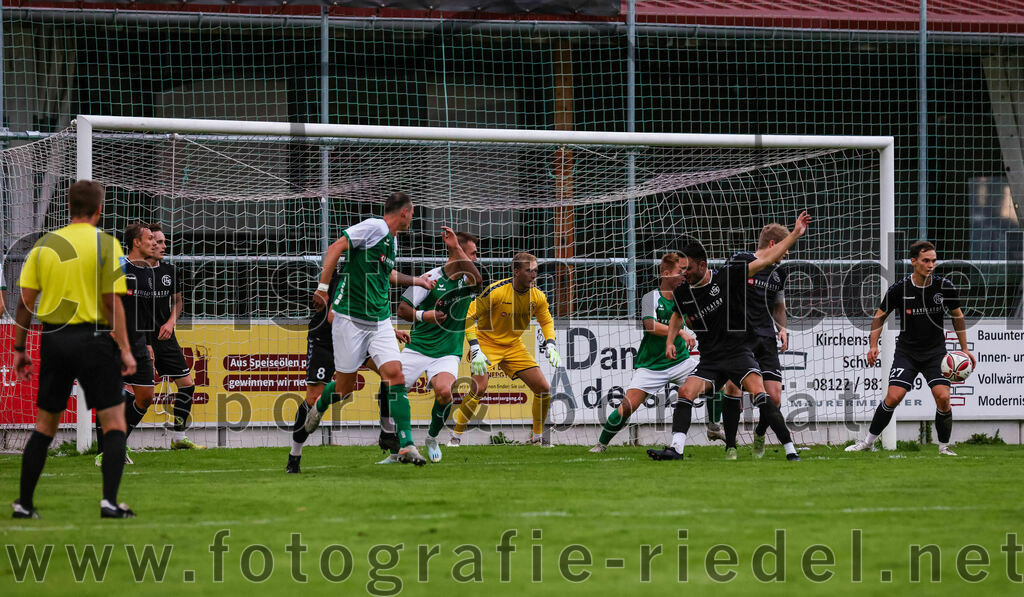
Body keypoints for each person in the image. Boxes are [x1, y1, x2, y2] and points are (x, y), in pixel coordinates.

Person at [11, 180, 138, 519]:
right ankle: (109, 502)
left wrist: (19, 348)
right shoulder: (106, 244)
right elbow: (113, 303)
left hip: (55, 338)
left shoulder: (45, 245)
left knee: (44, 426)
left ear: (68, 207)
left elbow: (25, 302)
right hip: (93, 339)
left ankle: (24, 504)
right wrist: (125, 348)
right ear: (99, 210)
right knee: (113, 423)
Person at [647, 211, 811, 462]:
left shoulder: (726, 278)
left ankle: (790, 450)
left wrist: (795, 235)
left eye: (687, 269)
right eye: (681, 270)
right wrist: (670, 340)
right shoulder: (683, 292)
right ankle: (677, 450)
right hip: (711, 360)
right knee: (685, 392)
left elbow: (766, 257)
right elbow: (677, 316)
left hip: (738, 353)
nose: (683, 274)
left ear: (702, 265)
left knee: (764, 395)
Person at [302, 192, 435, 465]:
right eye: (412, 213)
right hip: (351, 319)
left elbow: (386, 275)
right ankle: (320, 405)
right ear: (404, 212)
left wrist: (417, 282)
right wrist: (323, 289)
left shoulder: (393, 241)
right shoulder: (375, 227)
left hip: (379, 320)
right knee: (345, 386)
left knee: (395, 375)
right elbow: (336, 247)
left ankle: (406, 444)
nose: (413, 218)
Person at [846, 241, 975, 456]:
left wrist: (964, 349)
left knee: (943, 397)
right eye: (926, 261)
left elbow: (957, 316)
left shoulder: (945, 286)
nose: (931, 265)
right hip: (907, 352)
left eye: (934, 260)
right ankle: (867, 442)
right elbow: (879, 317)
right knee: (893, 397)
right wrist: (872, 345)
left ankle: (944, 447)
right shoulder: (900, 289)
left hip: (935, 353)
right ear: (914, 261)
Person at [589, 253, 697, 452]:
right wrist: (680, 332)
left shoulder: (688, 297)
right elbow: (650, 326)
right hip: (652, 366)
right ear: (666, 273)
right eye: (679, 272)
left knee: (717, 385)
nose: (684, 275)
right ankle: (601, 443)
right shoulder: (650, 297)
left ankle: (714, 428)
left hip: (681, 361)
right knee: (627, 406)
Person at [451, 252, 561, 446]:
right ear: (516, 272)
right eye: (529, 271)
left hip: (513, 346)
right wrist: (475, 347)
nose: (534, 275)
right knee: (480, 388)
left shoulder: (538, 296)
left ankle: (536, 438)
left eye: (536, 270)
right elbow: (468, 316)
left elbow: (546, 320)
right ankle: (455, 437)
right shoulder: (497, 291)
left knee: (543, 389)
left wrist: (550, 342)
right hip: (486, 342)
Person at [395, 228, 482, 462]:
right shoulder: (430, 278)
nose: (475, 259)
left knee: (444, 392)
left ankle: (432, 438)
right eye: (472, 254)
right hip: (418, 346)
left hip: (447, 352)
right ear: (460, 251)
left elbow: (479, 282)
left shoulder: (468, 279)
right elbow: (402, 310)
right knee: (391, 391)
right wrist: (426, 315)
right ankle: (401, 445)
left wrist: (456, 248)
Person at [720, 223, 795, 459]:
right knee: (733, 387)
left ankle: (760, 433)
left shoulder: (779, 273)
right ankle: (730, 446)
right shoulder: (741, 260)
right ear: (773, 244)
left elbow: (778, 306)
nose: (787, 253)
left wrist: (782, 328)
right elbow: (721, 289)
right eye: (785, 247)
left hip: (766, 338)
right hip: (739, 337)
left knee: (774, 397)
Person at [94, 221, 159, 466]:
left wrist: (149, 342)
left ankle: (117, 443)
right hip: (113, 341)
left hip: (140, 343)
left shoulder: (149, 271)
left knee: (145, 398)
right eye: (150, 238)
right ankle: (105, 452)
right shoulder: (119, 267)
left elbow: (144, 311)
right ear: (136, 242)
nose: (154, 242)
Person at [146, 223, 203, 449]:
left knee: (187, 386)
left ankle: (179, 438)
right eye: (159, 242)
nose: (163, 246)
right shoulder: (133, 271)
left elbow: (178, 302)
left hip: (165, 338)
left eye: (164, 242)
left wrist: (170, 322)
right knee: (137, 395)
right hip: (140, 340)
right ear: (147, 243)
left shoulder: (169, 271)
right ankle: (116, 443)